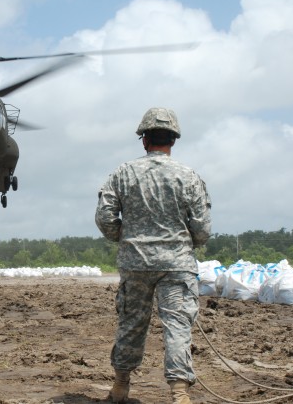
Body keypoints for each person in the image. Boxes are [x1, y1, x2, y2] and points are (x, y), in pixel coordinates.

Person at [95, 107, 212, 404]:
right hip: (176, 266)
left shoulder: (122, 173)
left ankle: (121, 387)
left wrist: (127, 239)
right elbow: (202, 228)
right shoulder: (189, 176)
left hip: (135, 264)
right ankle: (179, 393)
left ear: (145, 139)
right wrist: (188, 243)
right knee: (177, 326)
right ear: (173, 140)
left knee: (131, 324)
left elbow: (105, 216)